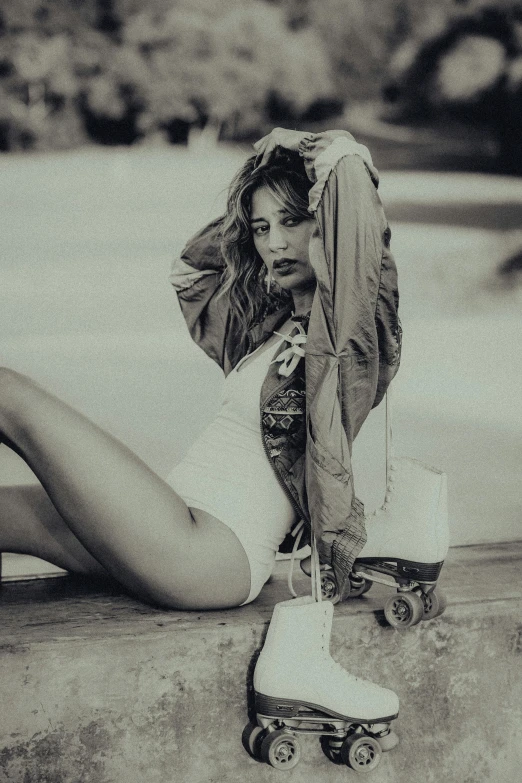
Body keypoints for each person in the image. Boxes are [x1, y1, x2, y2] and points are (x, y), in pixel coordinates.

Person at [0, 127, 400, 612]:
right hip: (168, 526)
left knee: (8, 393)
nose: (274, 243)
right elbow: (192, 271)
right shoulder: (266, 330)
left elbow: (350, 183)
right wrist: (255, 187)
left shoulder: (346, 341)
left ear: (326, 224)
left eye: (292, 221)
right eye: (261, 228)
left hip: (210, 555)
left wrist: (296, 149)